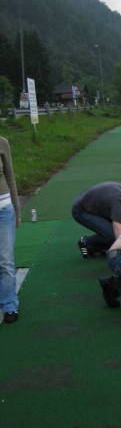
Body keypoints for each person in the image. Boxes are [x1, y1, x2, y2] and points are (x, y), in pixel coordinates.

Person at [0, 136, 21, 324]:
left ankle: (9, 305)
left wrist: (17, 208)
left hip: (3, 210)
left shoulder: (2, 142)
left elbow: (10, 176)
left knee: (5, 260)